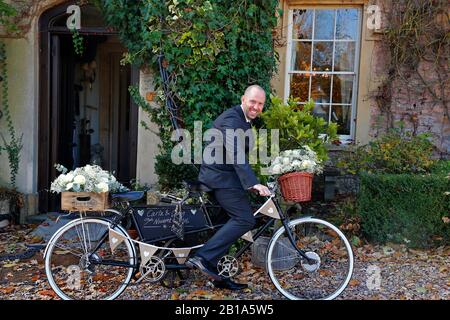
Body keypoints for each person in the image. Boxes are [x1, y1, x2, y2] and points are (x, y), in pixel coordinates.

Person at [185, 85, 271, 290]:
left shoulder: (244, 120)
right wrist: (252, 183)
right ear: (243, 99)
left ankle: (217, 277)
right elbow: (236, 153)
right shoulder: (231, 119)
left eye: (260, 104)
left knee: (225, 225)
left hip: (226, 178)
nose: (256, 107)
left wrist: (256, 180)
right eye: (253, 101)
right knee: (244, 219)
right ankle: (204, 257)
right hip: (220, 179)